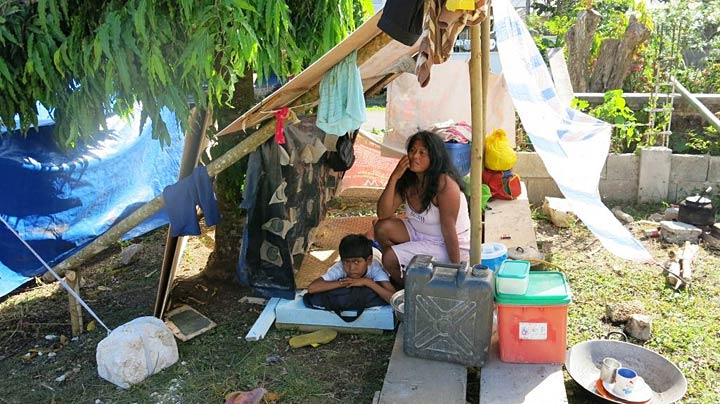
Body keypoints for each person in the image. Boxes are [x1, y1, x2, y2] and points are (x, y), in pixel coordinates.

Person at [374, 130, 470, 287]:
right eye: (412, 150)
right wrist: (394, 177)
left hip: (446, 243)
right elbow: (383, 214)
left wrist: (457, 270)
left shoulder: (445, 185)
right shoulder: (408, 178)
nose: (414, 156)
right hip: (419, 233)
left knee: (389, 258)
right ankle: (406, 278)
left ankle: (417, 289)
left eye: (422, 152)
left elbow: (448, 230)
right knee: (382, 227)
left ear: (434, 157)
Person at [307, 234, 396, 304]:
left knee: (373, 240)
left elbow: (393, 298)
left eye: (356, 262)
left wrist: (368, 282)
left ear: (368, 261)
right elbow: (312, 288)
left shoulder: (375, 268)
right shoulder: (340, 267)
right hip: (365, 251)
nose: (351, 268)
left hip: (376, 251)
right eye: (346, 262)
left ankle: (372, 230)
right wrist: (344, 283)